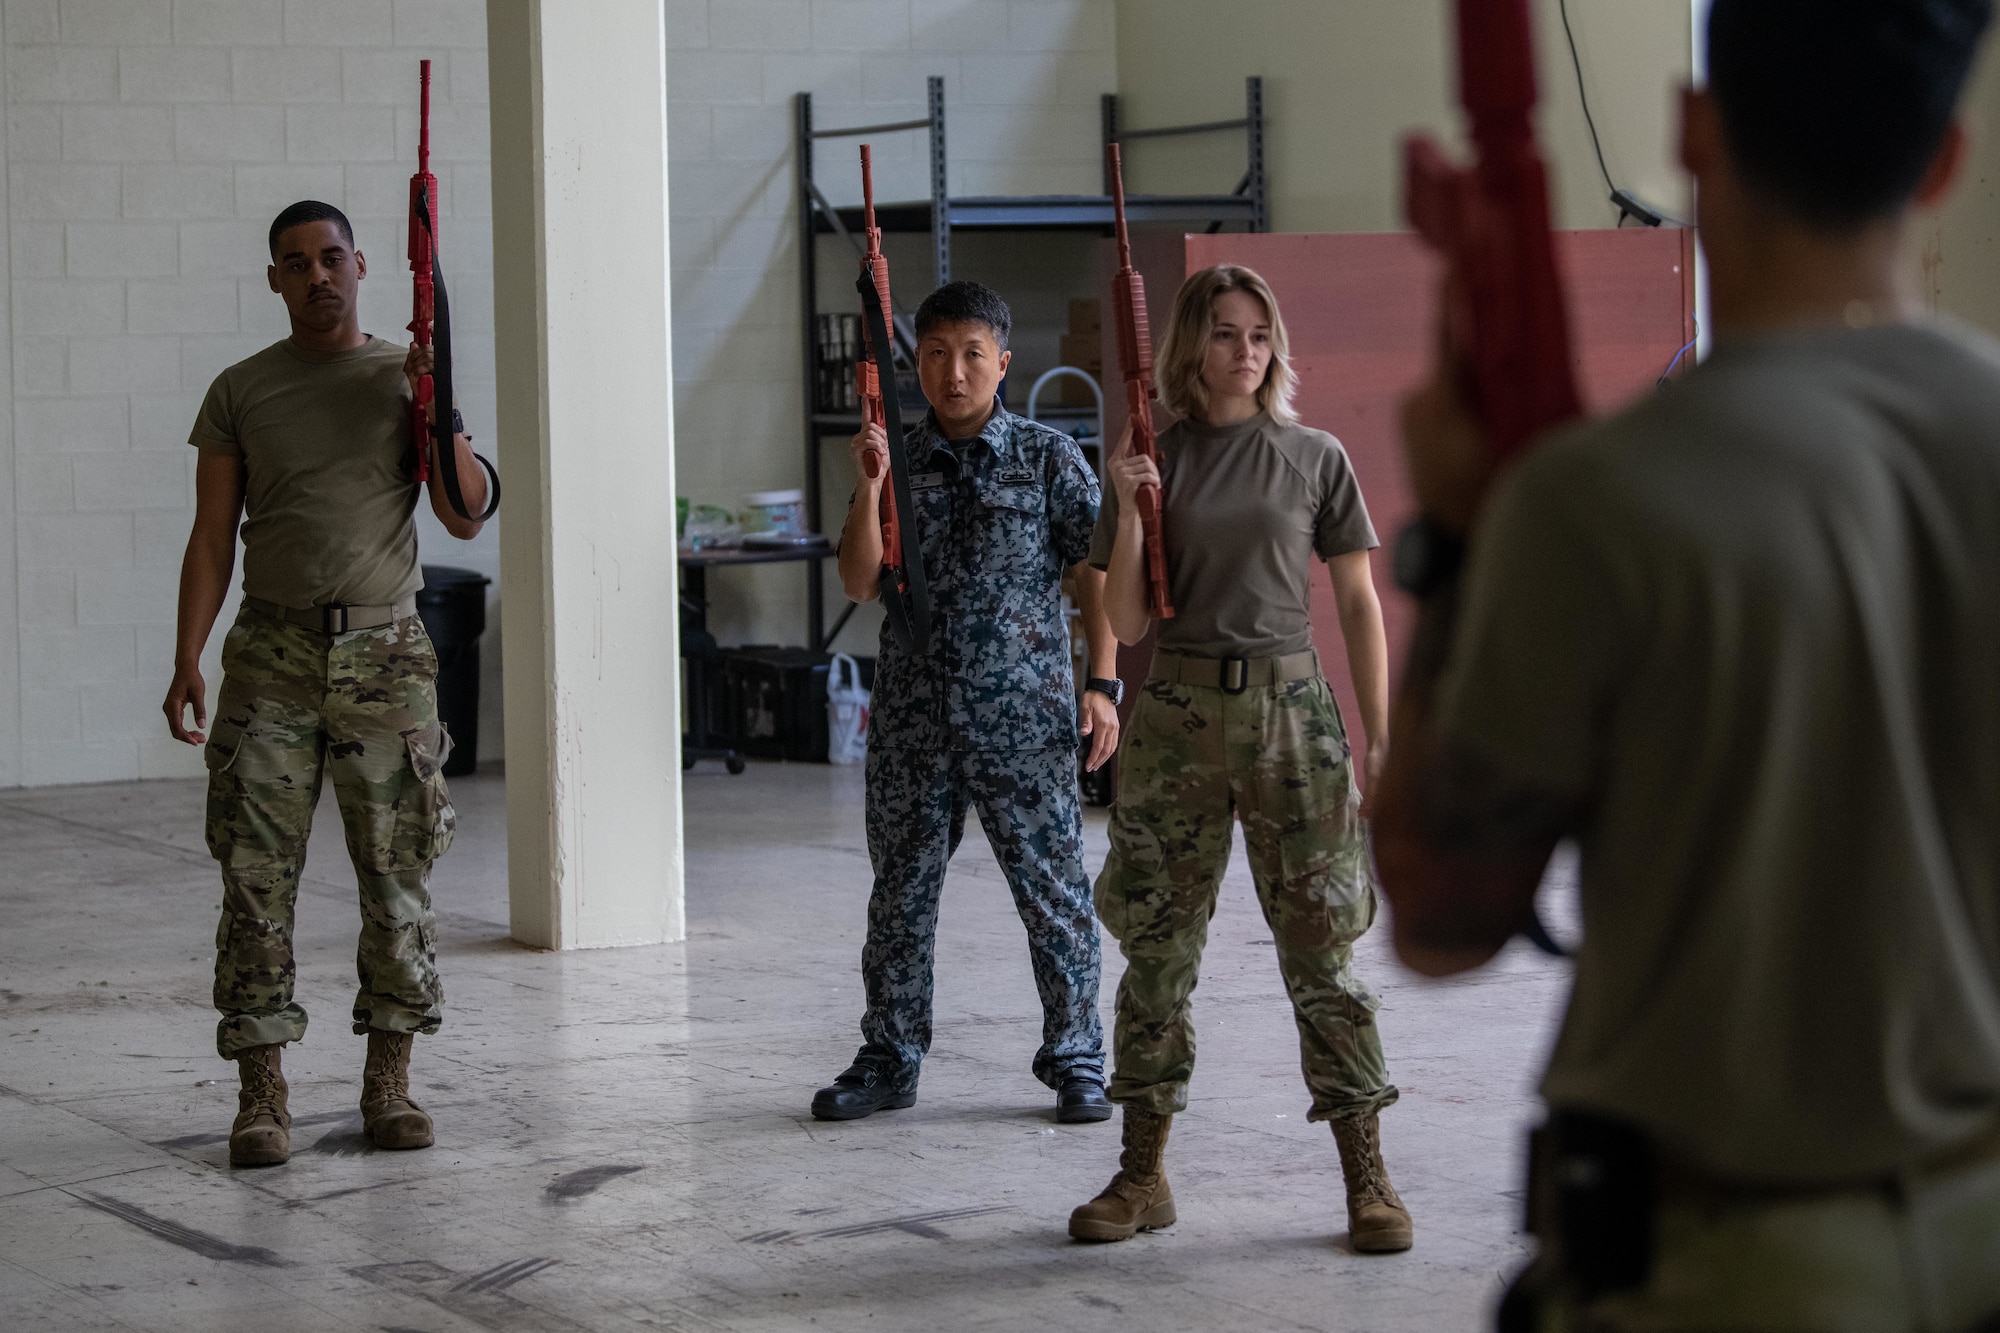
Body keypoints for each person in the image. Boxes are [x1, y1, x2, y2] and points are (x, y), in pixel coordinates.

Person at [1376, 0, 2000, 1326]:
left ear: (1689, 129)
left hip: (1735, 1270)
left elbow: (1438, 915)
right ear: (1945, 159)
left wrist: (1459, 541)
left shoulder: (1599, 502)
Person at [1069, 266, 1411, 1252]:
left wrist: (1377, 733)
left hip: (1290, 716)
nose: (1245, 349)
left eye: (1259, 332)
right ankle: (1140, 1176)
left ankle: (1366, 1178)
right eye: (1223, 333)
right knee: (1156, 952)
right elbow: (1126, 617)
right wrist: (1133, 511)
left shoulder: (1313, 456)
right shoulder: (1151, 457)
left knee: (1322, 949)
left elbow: (1355, 602)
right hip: (1174, 712)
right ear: (1190, 346)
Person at [162, 200, 492, 1168]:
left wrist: (443, 407)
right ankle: (261, 1096)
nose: (318, 275)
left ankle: (388, 1084)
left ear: (360, 267)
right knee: (255, 881)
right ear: (274, 278)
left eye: (333, 257)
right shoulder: (241, 391)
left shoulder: (404, 376)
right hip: (270, 655)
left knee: (397, 878)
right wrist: (189, 651)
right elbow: (211, 536)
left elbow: (467, 515)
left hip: (386, 654)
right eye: (296, 262)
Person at [813, 280, 1122, 1125]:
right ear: (917, 364)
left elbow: (1093, 577)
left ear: (1003, 363)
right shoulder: (896, 460)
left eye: (972, 354)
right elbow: (857, 578)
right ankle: (889, 1056)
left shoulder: (1048, 458)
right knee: (901, 896)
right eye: (938, 354)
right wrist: (873, 485)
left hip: (1024, 721)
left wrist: (1103, 682)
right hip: (915, 722)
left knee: (1054, 893)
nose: (954, 372)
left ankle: (1077, 1057)